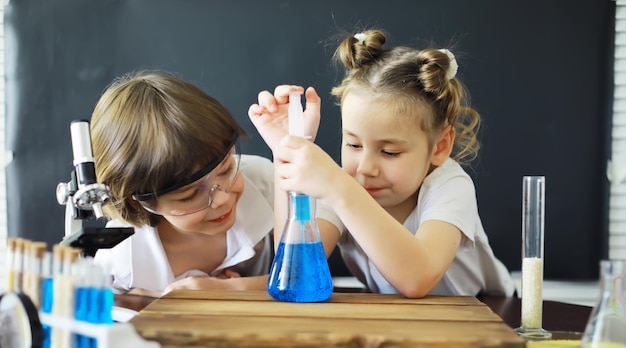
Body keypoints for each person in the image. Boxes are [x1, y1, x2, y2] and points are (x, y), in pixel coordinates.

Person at [249, 29, 515, 298]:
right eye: (353, 145)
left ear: (440, 146)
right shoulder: (341, 186)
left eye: (389, 152)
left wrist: (339, 188)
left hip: (489, 311)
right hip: (398, 321)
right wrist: (286, 152)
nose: (365, 168)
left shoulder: (449, 186)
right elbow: (295, 267)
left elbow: (417, 278)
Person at [90, 70, 277, 296]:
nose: (222, 198)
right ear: (139, 203)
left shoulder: (262, 179)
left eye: (226, 170)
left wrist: (227, 289)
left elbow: (304, 276)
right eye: (189, 195)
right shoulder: (120, 264)